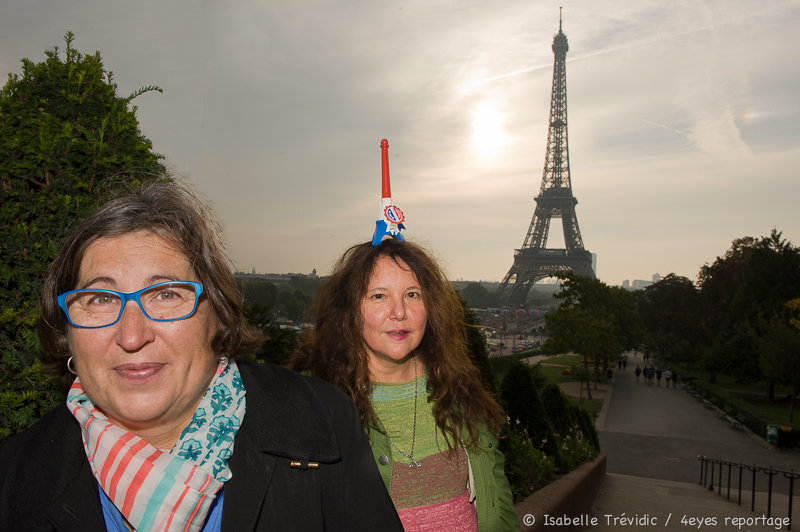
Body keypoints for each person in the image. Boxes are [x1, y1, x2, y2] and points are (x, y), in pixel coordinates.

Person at [0, 181, 402, 531]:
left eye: (166, 295)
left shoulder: (324, 419)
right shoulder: (13, 479)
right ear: (67, 331)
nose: (132, 335)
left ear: (217, 317)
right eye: (101, 298)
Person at [291, 238, 519, 531]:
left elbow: (498, 503)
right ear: (349, 311)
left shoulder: (459, 391)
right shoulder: (317, 406)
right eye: (378, 296)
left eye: (412, 294)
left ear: (430, 306)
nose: (399, 312)